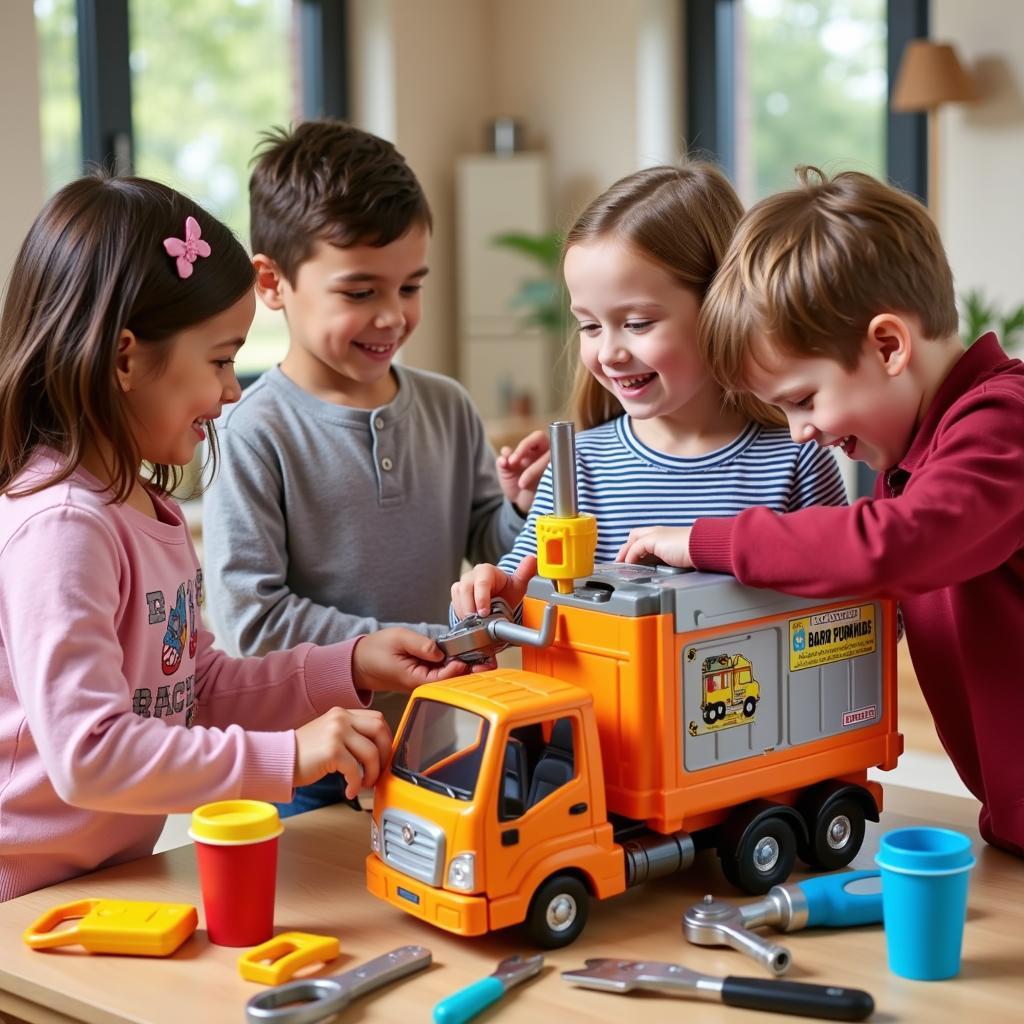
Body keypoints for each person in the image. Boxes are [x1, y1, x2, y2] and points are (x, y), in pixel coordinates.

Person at [0, 174, 466, 901]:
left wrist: (349, 663)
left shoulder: (143, 511)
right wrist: (289, 755)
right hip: (22, 902)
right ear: (125, 358)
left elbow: (199, 687)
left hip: (108, 883)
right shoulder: (62, 527)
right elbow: (89, 755)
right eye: (220, 360)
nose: (232, 390)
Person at [617, 167, 1024, 856]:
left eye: (804, 399)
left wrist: (703, 542)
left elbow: (891, 547)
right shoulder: (909, 460)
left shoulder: (1003, 422)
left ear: (889, 346)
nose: (800, 429)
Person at [202, 120, 526, 815]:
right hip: (316, 754)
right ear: (273, 283)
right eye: (360, 293)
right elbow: (251, 622)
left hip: (444, 737)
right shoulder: (250, 432)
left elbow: (491, 545)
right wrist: (373, 647)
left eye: (410, 287)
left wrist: (521, 508)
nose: (393, 316)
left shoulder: (447, 405)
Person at [451, 163, 846, 620]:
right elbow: (515, 606)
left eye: (637, 324)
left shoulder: (797, 459)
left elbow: (862, 616)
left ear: (720, 306)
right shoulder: (578, 468)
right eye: (590, 326)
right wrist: (484, 598)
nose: (610, 353)